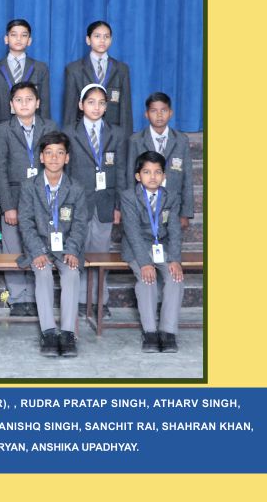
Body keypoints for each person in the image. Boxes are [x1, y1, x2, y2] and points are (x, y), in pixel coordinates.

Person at [17, 132, 90, 357]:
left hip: (67, 248)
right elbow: (26, 222)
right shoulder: (29, 186)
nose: (54, 158)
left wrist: (72, 250)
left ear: (67, 158)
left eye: (60, 153)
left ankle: (67, 333)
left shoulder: (76, 188)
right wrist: (37, 251)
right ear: (41, 157)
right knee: (43, 273)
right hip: (39, 246)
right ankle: (48, 332)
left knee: (71, 274)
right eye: (49, 153)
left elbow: (80, 224)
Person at [0, 82, 59, 317]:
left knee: (37, 246)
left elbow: (55, 164)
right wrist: (7, 206)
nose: (24, 104)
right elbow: (0, 169)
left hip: (42, 199)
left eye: (29, 99)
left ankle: (34, 296)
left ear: (38, 103)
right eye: (19, 100)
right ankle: (18, 297)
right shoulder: (3, 129)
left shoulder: (49, 126)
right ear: (11, 105)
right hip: (13, 196)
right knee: (13, 248)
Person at [66, 83, 127, 316]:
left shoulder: (116, 133)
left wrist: (118, 205)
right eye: (91, 102)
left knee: (101, 253)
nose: (96, 107)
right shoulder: (69, 132)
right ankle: (81, 300)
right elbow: (65, 171)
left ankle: (101, 300)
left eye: (101, 103)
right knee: (78, 251)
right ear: (81, 105)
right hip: (78, 203)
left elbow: (120, 171)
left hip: (105, 202)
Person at [120, 151, 184, 353]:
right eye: (147, 172)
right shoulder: (129, 196)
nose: (153, 176)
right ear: (138, 176)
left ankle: (167, 331)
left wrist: (174, 259)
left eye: (157, 172)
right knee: (147, 278)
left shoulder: (171, 196)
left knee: (175, 277)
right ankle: (150, 332)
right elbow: (132, 231)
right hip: (136, 247)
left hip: (162, 246)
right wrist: (145, 263)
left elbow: (174, 229)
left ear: (164, 175)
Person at [126, 92, 194, 229]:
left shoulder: (181, 140)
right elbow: (130, 176)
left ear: (170, 113)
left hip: (173, 207)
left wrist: (185, 213)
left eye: (163, 110)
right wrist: (131, 209)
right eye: (153, 111)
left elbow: (187, 178)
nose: (159, 115)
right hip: (144, 206)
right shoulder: (136, 141)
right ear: (146, 114)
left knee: (172, 240)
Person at [62, 20, 132, 136]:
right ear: (88, 40)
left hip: (113, 133)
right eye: (97, 36)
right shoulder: (74, 69)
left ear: (111, 40)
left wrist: (126, 138)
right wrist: (69, 138)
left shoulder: (121, 69)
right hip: (83, 133)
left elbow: (126, 110)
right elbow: (70, 109)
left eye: (106, 36)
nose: (102, 40)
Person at [0, 19, 51, 124]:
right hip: (3, 126)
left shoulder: (40, 68)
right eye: (14, 35)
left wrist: (45, 129)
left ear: (29, 41)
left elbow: (45, 104)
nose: (19, 39)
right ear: (6, 39)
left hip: (33, 125)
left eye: (24, 35)